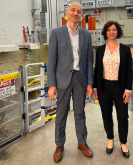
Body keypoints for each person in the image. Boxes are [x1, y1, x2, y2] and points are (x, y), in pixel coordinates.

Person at [47, 3, 94, 162]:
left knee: (80, 113)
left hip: (80, 78)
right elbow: (52, 60)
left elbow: (89, 60)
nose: (76, 13)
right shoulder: (56, 33)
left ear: (81, 15)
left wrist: (89, 82)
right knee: (61, 114)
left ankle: (82, 142)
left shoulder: (86, 35)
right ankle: (59, 145)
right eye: (73, 10)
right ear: (67, 12)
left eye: (79, 12)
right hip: (62, 80)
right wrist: (52, 85)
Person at [93, 21, 133, 158]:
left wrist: (128, 90)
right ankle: (110, 139)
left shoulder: (125, 50)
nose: (111, 32)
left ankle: (123, 142)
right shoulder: (99, 50)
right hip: (104, 87)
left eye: (114, 29)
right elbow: (97, 70)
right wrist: (95, 87)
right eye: (109, 30)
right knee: (106, 115)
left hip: (120, 88)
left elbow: (129, 71)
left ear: (118, 32)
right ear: (105, 32)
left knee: (123, 116)